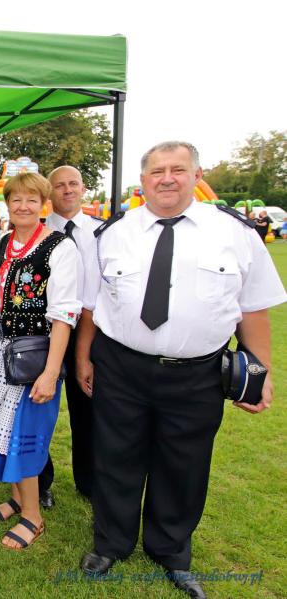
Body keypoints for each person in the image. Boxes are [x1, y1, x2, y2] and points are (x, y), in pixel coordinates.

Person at [76, 142, 285, 598]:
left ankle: (170, 551)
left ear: (197, 175)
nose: (166, 178)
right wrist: (83, 357)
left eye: (177, 169)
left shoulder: (234, 232)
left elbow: (253, 308)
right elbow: (92, 304)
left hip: (198, 374)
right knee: (115, 457)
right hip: (122, 367)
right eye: (157, 171)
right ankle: (111, 543)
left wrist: (260, 371)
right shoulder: (112, 233)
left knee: (185, 463)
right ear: (143, 180)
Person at [0, 172, 80, 549]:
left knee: (23, 435)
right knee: (0, 429)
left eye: (32, 199)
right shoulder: (3, 243)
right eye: (16, 199)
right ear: (7, 204)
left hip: (33, 358)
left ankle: (33, 516)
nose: (24, 206)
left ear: (44, 204)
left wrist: (50, 372)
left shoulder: (59, 247)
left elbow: (64, 316)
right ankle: (18, 499)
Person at [35, 165, 101, 508]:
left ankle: (88, 481)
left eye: (73, 183)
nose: (67, 190)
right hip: (45, 332)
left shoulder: (103, 232)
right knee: (39, 409)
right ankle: (40, 481)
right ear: (50, 193)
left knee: (87, 409)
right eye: (59, 185)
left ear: (83, 188)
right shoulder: (38, 233)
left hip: (90, 332)